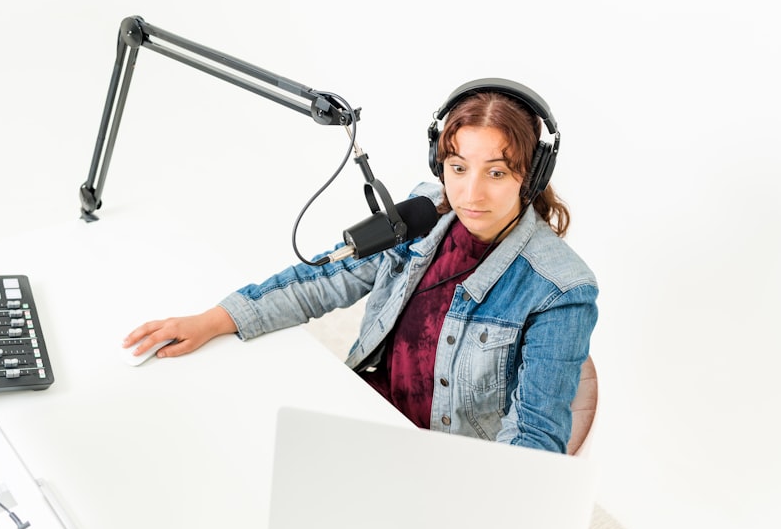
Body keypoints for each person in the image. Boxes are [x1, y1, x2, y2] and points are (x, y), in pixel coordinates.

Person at [123, 79, 598, 453]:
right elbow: (325, 279)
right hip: (371, 415)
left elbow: (533, 440)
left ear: (532, 174)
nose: (469, 194)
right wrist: (214, 320)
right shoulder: (423, 214)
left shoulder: (561, 287)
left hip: (446, 465)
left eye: (496, 172)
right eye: (457, 167)